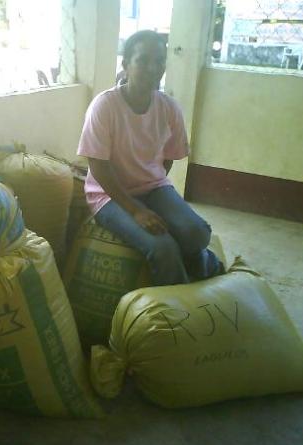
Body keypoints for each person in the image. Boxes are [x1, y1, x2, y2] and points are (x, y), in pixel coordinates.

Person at [77, 30, 223, 286]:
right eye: (142, 60)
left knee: (197, 233)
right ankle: (179, 303)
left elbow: (169, 157)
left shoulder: (169, 107)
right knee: (163, 248)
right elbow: (98, 165)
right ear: (126, 65)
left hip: (153, 187)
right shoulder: (105, 106)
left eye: (159, 61)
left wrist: (155, 190)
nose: (153, 68)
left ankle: (204, 265)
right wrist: (136, 210)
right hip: (108, 196)